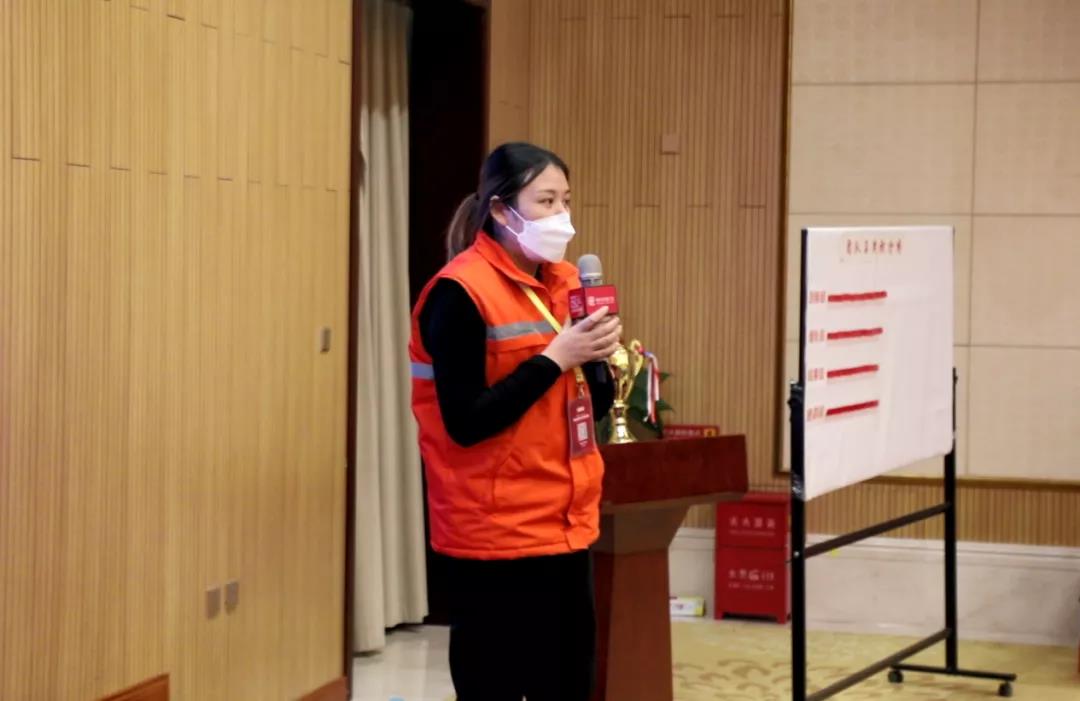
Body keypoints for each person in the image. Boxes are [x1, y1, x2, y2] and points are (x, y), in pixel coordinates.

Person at [409, 142, 620, 700]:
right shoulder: (458, 292)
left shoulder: (566, 281)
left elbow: (588, 408)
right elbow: (466, 422)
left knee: (568, 685)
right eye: (546, 201)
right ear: (502, 211)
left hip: (565, 523)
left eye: (566, 200)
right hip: (494, 533)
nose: (561, 216)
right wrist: (556, 358)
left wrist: (596, 358)